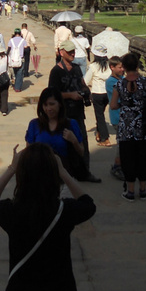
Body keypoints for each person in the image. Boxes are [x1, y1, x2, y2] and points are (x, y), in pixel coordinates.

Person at [0, 143, 96, 291]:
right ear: (53, 175)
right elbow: (88, 204)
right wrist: (63, 172)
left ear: (22, 175)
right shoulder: (63, 211)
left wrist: (12, 168)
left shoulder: (12, 211)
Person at [48, 39, 100, 183]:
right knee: (63, 144)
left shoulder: (77, 68)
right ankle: (63, 174)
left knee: (82, 141)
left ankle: (85, 172)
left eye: (73, 51)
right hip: (63, 113)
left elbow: (82, 83)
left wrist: (86, 91)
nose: (72, 53)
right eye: (69, 51)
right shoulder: (56, 71)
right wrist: (70, 95)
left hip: (77, 112)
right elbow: (53, 94)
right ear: (61, 52)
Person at [110, 53, 146, 201]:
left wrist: (124, 105)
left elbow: (113, 105)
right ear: (137, 65)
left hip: (126, 128)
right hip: (144, 127)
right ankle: (143, 189)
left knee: (128, 158)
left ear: (123, 67)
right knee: (144, 158)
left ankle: (130, 190)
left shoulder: (119, 84)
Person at [24, 87, 85, 177]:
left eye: (52, 104)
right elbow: (28, 153)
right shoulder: (34, 124)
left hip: (64, 177)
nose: (48, 108)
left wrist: (74, 140)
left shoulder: (71, 124)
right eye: (45, 105)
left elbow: (81, 152)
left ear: (60, 104)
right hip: (39, 176)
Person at [83, 44, 112, 147]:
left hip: (97, 93)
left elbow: (85, 81)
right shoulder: (110, 65)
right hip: (108, 93)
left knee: (100, 116)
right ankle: (99, 133)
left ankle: (105, 138)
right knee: (101, 115)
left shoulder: (93, 66)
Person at [6, 28, 27, 93]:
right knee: (20, 73)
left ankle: (15, 84)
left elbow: (9, 49)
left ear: (14, 34)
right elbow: (26, 48)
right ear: (20, 33)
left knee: (14, 72)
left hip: (13, 59)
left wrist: (6, 56)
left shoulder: (11, 40)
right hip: (20, 58)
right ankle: (17, 87)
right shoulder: (23, 40)